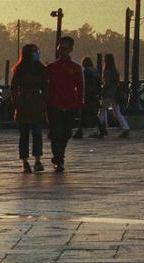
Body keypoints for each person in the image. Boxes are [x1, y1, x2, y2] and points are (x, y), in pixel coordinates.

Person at [45, 36, 84, 172]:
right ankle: (59, 158)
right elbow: (45, 86)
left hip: (70, 104)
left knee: (67, 132)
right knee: (56, 132)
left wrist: (79, 103)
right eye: (60, 48)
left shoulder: (76, 68)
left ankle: (59, 155)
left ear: (71, 49)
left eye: (65, 48)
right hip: (54, 104)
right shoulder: (51, 67)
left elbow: (80, 87)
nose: (62, 51)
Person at [10, 44, 49, 173]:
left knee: (37, 134)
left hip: (36, 104)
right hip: (24, 105)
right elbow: (14, 88)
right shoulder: (19, 69)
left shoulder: (41, 68)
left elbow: (45, 87)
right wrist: (16, 102)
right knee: (24, 135)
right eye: (34, 52)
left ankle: (37, 160)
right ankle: (25, 161)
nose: (36, 54)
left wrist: (44, 101)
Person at [94, 53, 131, 138]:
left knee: (102, 112)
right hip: (115, 93)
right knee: (116, 111)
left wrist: (102, 92)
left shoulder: (107, 71)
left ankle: (97, 130)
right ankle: (126, 128)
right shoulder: (115, 70)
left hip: (108, 93)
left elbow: (107, 83)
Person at [77, 57, 101, 138]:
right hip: (94, 94)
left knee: (88, 112)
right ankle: (79, 131)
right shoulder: (95, 71)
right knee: (89, 112)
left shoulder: (86, 71)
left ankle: (79, 131)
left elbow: (84, 84)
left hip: (87, 94)